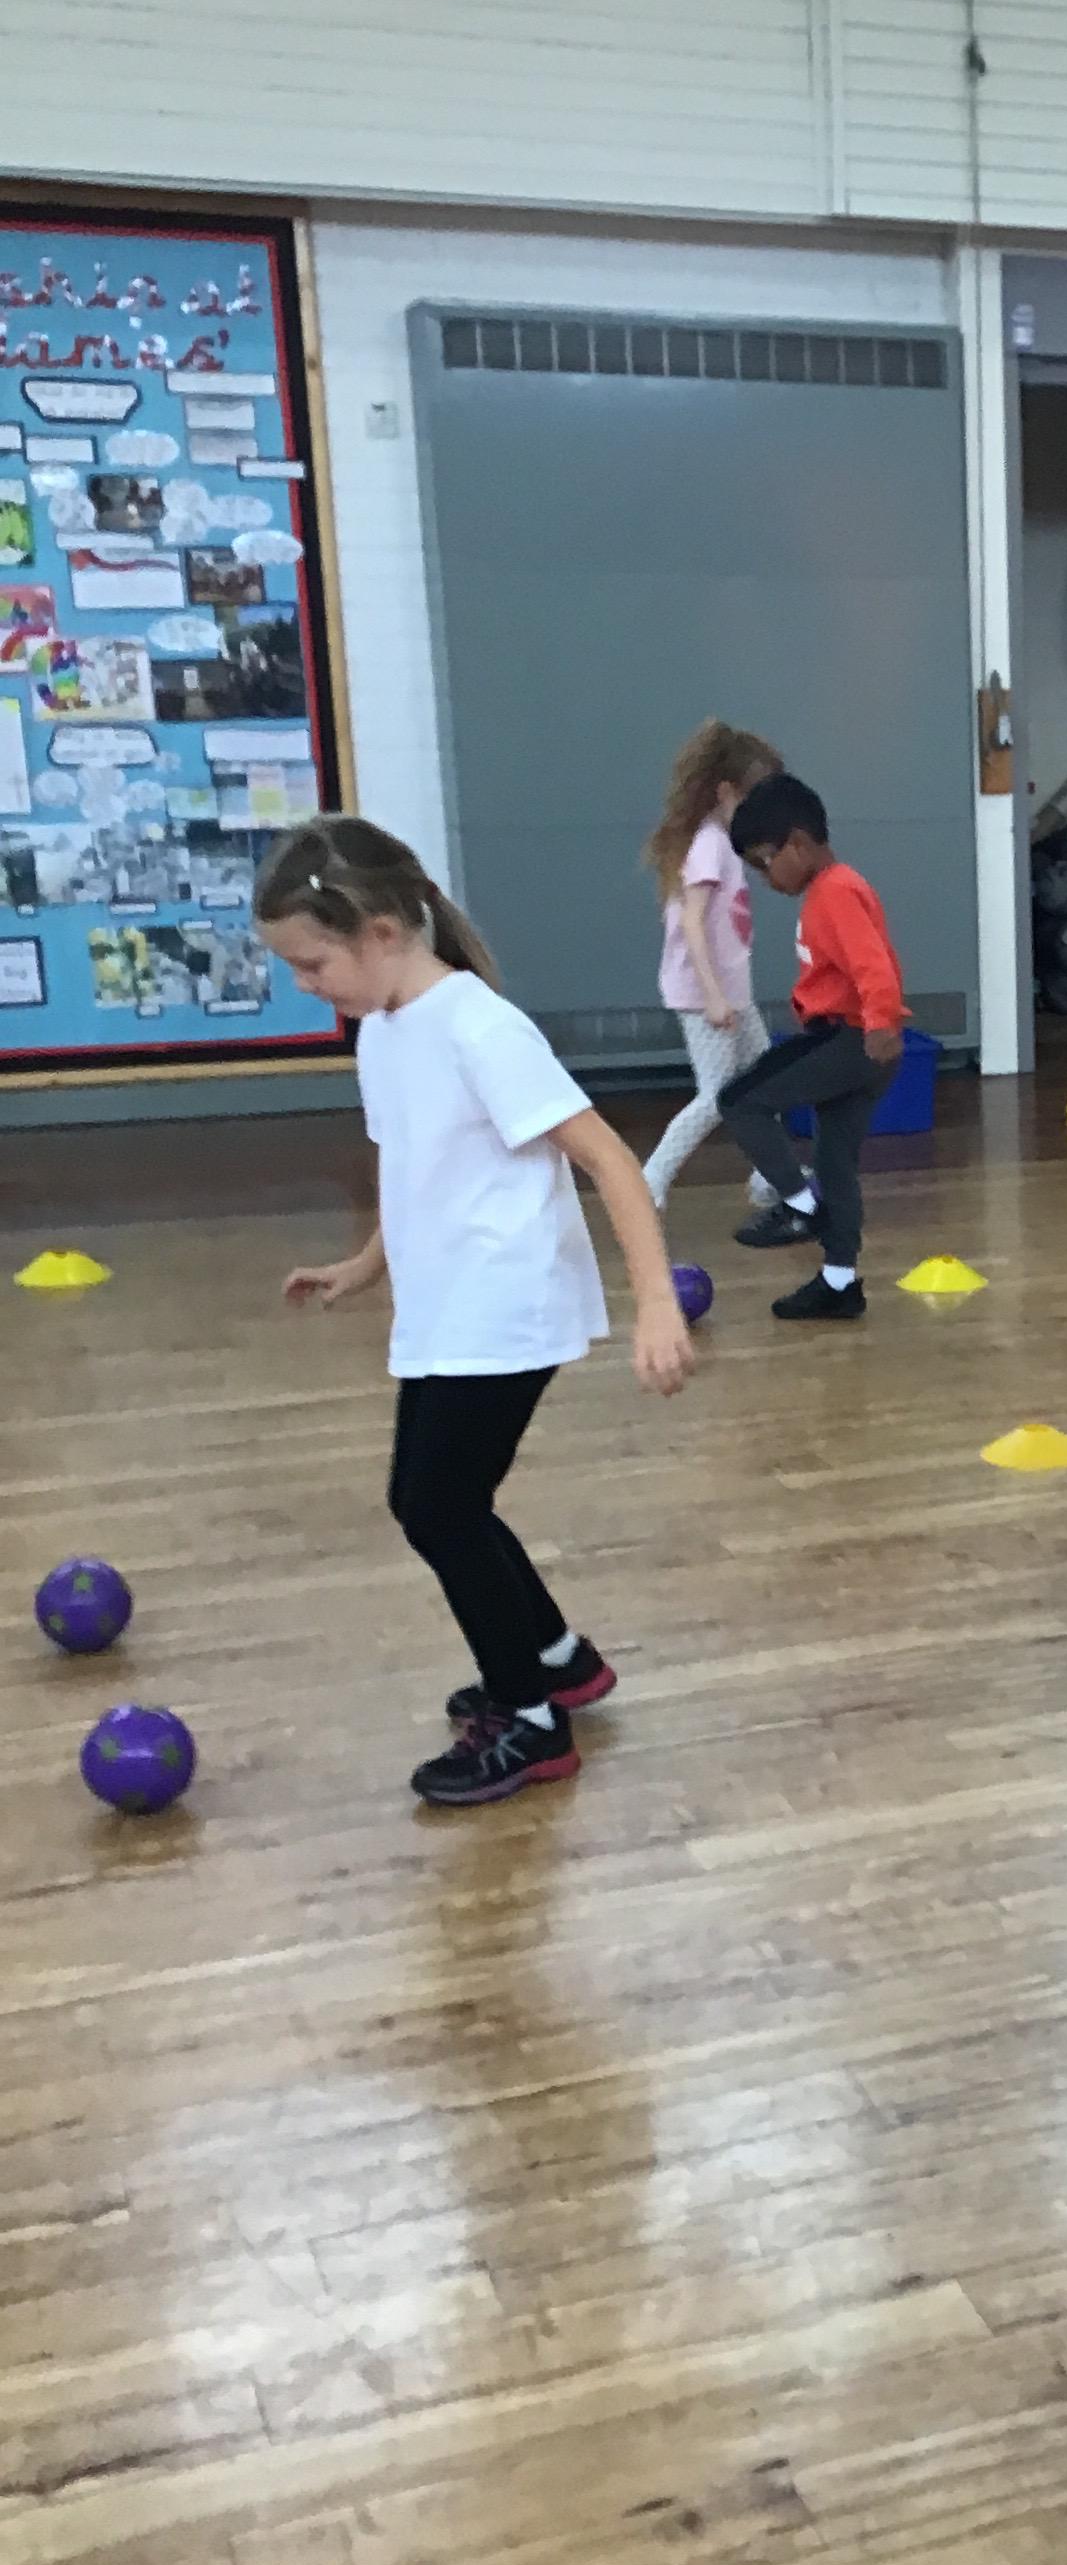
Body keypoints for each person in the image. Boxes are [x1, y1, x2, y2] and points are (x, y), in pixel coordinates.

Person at [254, 817, 693, 1810]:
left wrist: (657, 1306)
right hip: (446, 1306)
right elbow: (415, 1167)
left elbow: (611, 1161)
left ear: (380, 932)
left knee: (436, 1507)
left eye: (312, 963)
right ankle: (558, 1661)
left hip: (504, 1305)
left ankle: (531, 1724)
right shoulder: (384, 1030)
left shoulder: (480, 1029)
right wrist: (365, 1266)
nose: (305, 984)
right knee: (444, 1501)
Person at [717, 772, 907, 1326]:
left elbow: (873, 965)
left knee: (740, 1101)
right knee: (834, 1162)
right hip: (857, 1043)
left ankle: (800, 1208)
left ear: (798, 844)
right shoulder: (832, 890)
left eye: (764, 861)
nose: (764, 876)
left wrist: (880, 1023)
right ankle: (839, 1282)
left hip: (849, 1040)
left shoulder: (836, 891)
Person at [639, 717, 782, 1215]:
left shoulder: (724, 843)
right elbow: (692, 923)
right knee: (717, 1096)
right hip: (707, 998)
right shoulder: (707, 845)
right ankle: (650, 1180)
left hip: (731, 995)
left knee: (767, 1079)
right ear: (725, 792)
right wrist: (715, 997)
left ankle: (770, 1176)